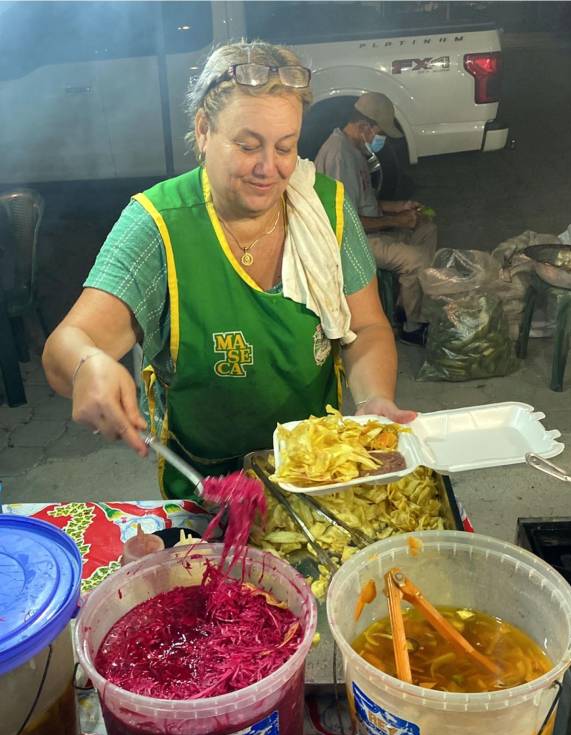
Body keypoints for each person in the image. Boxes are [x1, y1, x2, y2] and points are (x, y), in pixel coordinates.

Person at [42, 41, 416, 499]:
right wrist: (88, 365)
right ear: (203, 130)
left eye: (285, 147)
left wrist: (375, 398)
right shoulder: (158, 226)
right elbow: (65, 347)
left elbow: (368, 325)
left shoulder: (326, 208)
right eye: (247, 145)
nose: (269, 168)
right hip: (207, 485)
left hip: (316, 472)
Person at [314, 92, 437, 346]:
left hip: (367, 229)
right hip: (350, 243)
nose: (380, 140)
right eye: (379, 133)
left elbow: (366, 202)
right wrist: (397, 221)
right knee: (417, 260)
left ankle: (404, 304)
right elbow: (345, 222)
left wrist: (400, 207)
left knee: (427, 228)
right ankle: (410, 327)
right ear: (364, 127)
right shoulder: (339, 156)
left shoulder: (354, 148)